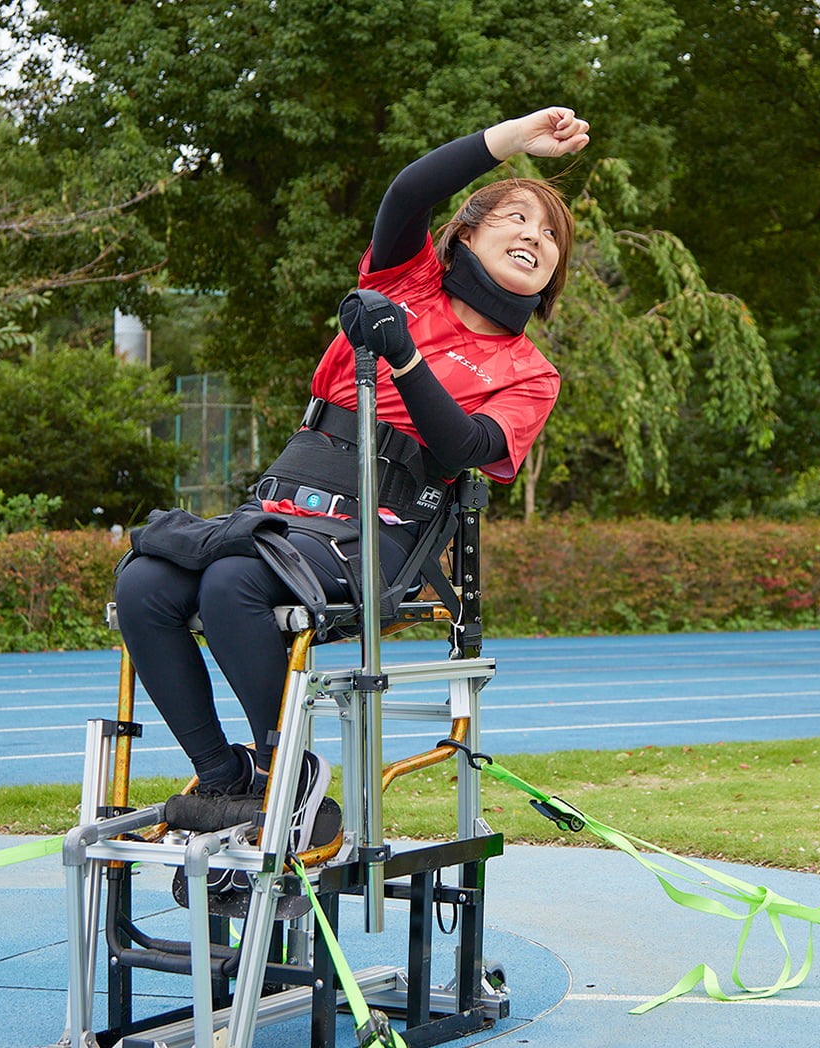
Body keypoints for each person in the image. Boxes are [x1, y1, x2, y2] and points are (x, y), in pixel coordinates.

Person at [113, 105, 589, 907]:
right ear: (465, 237)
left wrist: (402, 356)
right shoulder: (407, 284)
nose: (536, 237)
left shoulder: (529, 371)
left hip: (385, 530)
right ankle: (226, 777)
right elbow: (408, 193)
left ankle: (291, 780)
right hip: (287, 502)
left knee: (232, 583)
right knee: (145, 585)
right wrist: (513, 140)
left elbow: (465, 450)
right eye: (517, 216)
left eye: (550, 238)